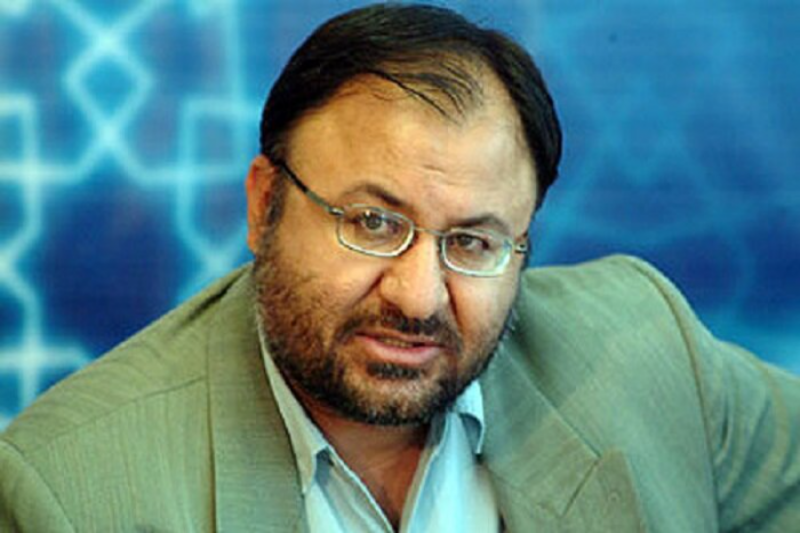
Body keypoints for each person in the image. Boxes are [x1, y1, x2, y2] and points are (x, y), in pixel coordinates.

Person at [1, 3, 798, 532]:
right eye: (373, 223)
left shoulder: (651, 349)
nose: (418, 297)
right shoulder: (69, 491)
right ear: (264, 204)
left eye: (473, 243)